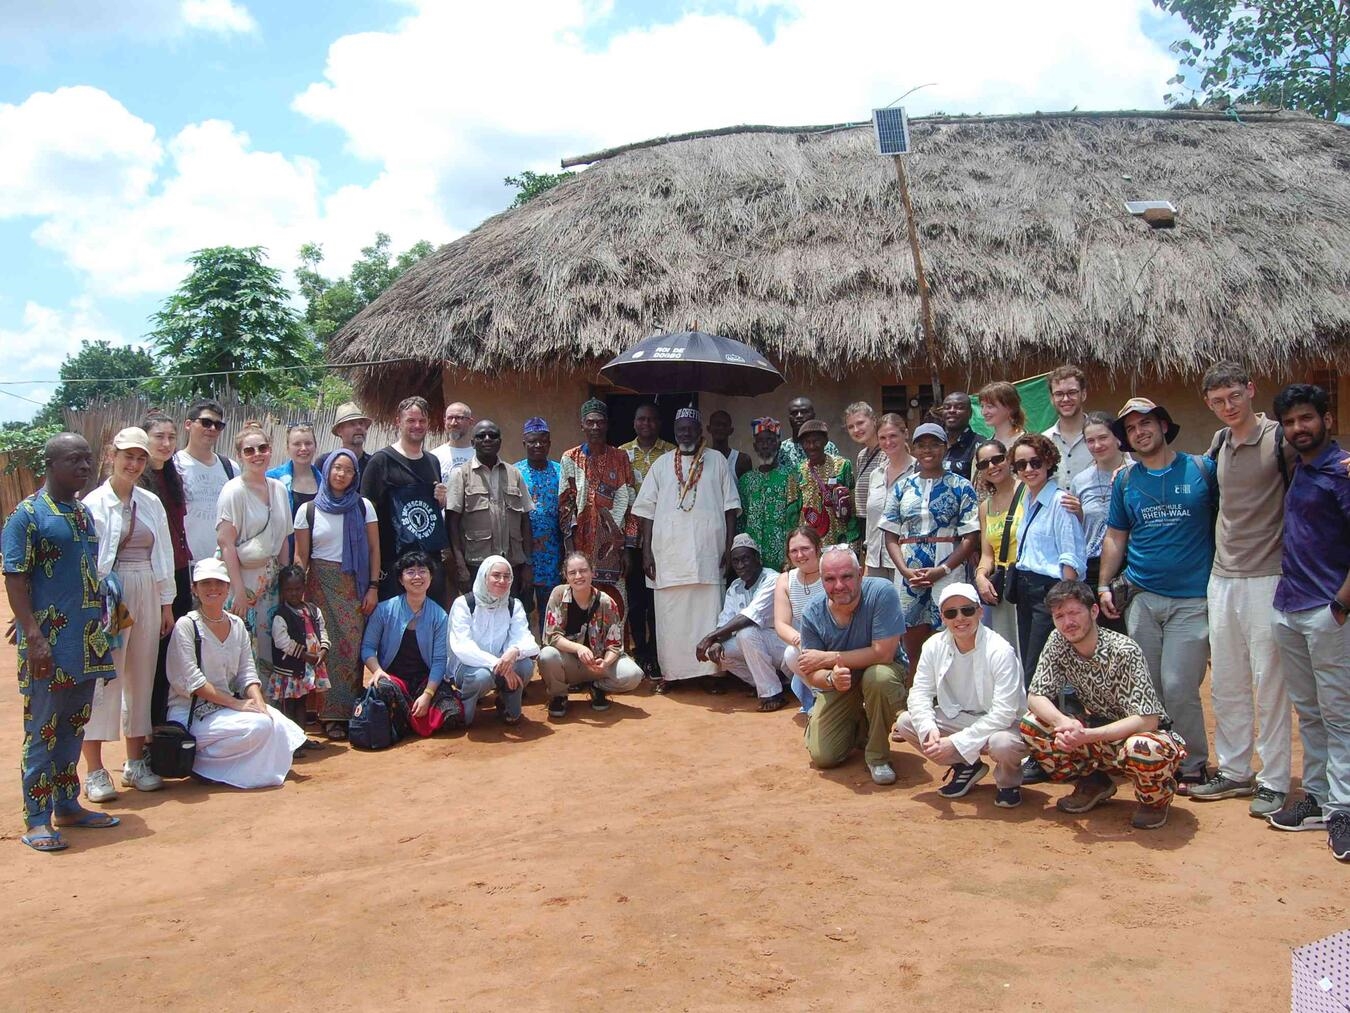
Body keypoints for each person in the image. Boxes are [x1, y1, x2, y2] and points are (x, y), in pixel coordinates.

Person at [1187, 364, 1295, 817]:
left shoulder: (1279, 439)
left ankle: (1273, 779)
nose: (1228, 407)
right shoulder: (1219, 442)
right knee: (1227, 680)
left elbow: (1319, 467)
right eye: (1218, 401)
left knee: (1269, 682)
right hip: (1222, 576)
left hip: (1268, 574)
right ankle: (1234, 770)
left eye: (1234, 396)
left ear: (1251, 390)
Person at [4, 434, 119, 852]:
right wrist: (32, 633)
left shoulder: (83, 513)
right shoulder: (27, 515)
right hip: (48, 645)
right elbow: (15, 577)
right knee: (43, 730)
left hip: (85, 642)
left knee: (73, 726)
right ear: (51, 464)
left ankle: (67, 805)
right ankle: (37, 819)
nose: (85, 466)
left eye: (88, 459)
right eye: (75, 459)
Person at [1097, 397, 1215, 788]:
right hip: (1142, 597)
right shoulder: (1126, 481)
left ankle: (1192, 761)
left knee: (1180, 685)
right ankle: (1157, 759)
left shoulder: (1202, 469)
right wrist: (1103, 584)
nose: (1139, 432)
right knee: (1147, 686)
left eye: (1145, 423)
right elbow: (1116, 535)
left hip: (1192, 598)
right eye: (1130, 428)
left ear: (1164, 425)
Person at [1019, 581, 1186, 829]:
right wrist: (1065, 723)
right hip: (1096, 732)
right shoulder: (1058, 640)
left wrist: (1088, 736)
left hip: (1139, 734)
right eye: (1059, 616)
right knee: (1033, 724)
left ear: (1094, 611)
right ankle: (1092, 783)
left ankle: (1154, 801)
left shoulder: (1124, 650)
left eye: (1074, 612)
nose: (1067, 622)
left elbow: (1147, 720)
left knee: (1143, 747)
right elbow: (1036, 696)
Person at [1266, 384, 1350, 861]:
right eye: (1290, 422)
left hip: (1326, 612)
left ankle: (1344, 809)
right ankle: (1318, 798)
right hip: (1289, 607)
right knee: (1311, 712)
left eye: (1306, 418)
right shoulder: (1300, 468)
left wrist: (1340, 605)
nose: (1298, 428)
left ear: (1327, 420)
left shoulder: (1342, 472)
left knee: (1340, 714)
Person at [82, 427, 177, 799]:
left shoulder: (150, 503)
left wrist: (166, 603)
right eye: (128, 457)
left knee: (142, 675)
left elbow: (164, 553)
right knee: (105, 678)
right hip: (110, 596)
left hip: (146, 587)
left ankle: (135, 763)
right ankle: (94, 771)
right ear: (112, 456)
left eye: (140, 458)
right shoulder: (93, 503)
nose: (134, 465)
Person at [165, 558, 307, 788]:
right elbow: (194, 682)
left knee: (278, 723)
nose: (213, 588)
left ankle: (238, 768)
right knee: (260, 727)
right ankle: (201, 764)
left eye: (218, 583)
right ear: (194, 589)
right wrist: (237, 704)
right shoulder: (186, 626)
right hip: (190, 713)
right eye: (205, 583)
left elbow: (247, 673)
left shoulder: (237, 625)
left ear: (227, 587)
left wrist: (258, 702)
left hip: (224, 710)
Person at [632, 408, 741, 691]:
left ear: (700, 431)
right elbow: (646, 511)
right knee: (670, 618)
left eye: (691, 429)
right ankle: (672, 673)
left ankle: (712, 673)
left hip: (708, 553)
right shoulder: (662, 464)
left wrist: (729, 546)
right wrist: (646, 552)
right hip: (669, 556)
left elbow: (730, 507)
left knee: (709, 614)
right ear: (675, 431)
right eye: (681, 429)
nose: (686, 434)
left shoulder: (717, 461)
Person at [892, 583, 1028, 805]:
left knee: (1002, 744)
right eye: (951, 613)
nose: (960, 618)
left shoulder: (1000, 650)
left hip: (1003, 725)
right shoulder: (933, 646)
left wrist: (955, 742)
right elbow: (920, 693)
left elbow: (1004, 713)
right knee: (907, 722)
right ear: (942, 618)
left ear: (980, 612)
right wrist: (929, 729)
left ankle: (1008, 783)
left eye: (967, 610)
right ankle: (966, 766)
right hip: (959, 718)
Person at [798, 546, 908, 785]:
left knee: (878, 677)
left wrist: (827, 658)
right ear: (821, 580)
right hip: (842, 683)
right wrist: (831, 679)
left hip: (882, 672)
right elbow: (811, 671)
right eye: (830, 579)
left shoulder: (882, 592)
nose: (839, 585)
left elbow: (883, 653)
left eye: (846, 576)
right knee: (824, 756)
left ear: (860, 574)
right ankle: (862, 726)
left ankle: (877, 756)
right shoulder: (812, 613)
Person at [880, 422, 980, 676]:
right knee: (912, 638)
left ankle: (952, 691)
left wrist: (943, 569)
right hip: (910, 571)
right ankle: (916, 690)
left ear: (945, 447)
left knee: (952, 632)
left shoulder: (960, 486)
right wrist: (904, 570)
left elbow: (970, 536)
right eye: (921, 445)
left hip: (948, 568)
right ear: (913, 449)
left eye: (935, 444)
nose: (928, 450)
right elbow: (890, 534)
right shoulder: (902, 487)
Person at [294, 448, 379, 740]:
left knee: (349, 651)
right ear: (327, 470)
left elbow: (373, 549)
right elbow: (301, 556)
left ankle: (346, 712)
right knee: (322, 649)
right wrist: (296, 597)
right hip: (318, 587)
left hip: (354, 586)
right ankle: (322, 714)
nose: (342, 474)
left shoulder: (363, 507)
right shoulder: (308, 510)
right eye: (337, 468)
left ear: (356, 475)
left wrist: (373, 587)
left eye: (349, 470)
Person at [217, 422, 294, 695]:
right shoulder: (233, 491)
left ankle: (268, 707)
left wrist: (286, 585)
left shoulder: (279, 489)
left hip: (271, 583)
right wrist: (238, 592)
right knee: (242, 646)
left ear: (270, 450)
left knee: (269, 644)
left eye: (262, 448)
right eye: (249, 450)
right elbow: (226, 544)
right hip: (241, 580)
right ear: (240, 455)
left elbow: (283, 539)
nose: (257, 454)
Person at [1008, 433, 1085, 680]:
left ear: (1048, 461)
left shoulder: (1060, 502)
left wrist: (1065, 604)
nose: (1028, 469)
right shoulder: (1027, 499)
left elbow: (1070, 555)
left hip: (1050, 592)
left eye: (1035, 462)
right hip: (1025, 590)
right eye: (1021, 465)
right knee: (1030, 664)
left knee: (1040, 668)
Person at [361, 396, 449, 605]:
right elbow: (366, 514)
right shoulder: (381, 461)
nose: (417, 426)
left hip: (428, 564)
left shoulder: (432, 461)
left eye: (422, 421)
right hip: (394, 564)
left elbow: (431, 511)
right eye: (411, 420)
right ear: (398, 422)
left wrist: (441, 500)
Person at [360, 550, 455, 739]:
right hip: (393, 678)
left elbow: (439, 660)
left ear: (431, 577)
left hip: (423, 680)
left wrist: (428, 694)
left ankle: (404, 719)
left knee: (452, 712)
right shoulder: (383, 610)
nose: (417, 577)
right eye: (410, 572)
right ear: (401, 579)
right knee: (384, 689)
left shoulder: (440, 616)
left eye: (423, 571)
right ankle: (411, 719)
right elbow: (368, 647)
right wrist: (377, 671)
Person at [539, 551, 644, 719]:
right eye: (572, 572)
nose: (578, 576)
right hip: (568, 664)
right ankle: (559, 695)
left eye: (583, 571)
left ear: (592, 572)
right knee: (547, 655)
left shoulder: (606, 602)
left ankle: (597, 687)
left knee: (634, 675)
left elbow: (615, 645)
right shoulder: (558, 595)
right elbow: (552, 636)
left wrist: (606, 662)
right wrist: (578, 648)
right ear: (566, 576)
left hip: (597, 664)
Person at [137, 409, 192, 726]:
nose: (166, 443)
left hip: (180, 572)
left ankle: (170, 722)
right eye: (159, 436)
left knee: (176, 650)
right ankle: (149, 727)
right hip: (152, 576)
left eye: (171, 437)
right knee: (152, 655)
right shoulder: (137, 482)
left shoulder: (173, 478)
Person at [559, 399, 637, 620]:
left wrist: (628, 549)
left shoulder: (620, 457)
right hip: (580, 544)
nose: (595, 427)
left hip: (613, 546)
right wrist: (570, 550)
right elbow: (565, 506)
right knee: (580, 602)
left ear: (607, 425)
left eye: (600, 422)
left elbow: (630, 504)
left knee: (616, 604)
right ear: (582, 425)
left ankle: (615, 641)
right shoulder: (570, 458)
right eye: (590, 422)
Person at [696, 534, 788, 710]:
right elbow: (725, 620)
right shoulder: (735, 587)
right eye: (736, 561)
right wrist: (716, 642)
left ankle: (772, 694)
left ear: (757, 558)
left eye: (745, 559)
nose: (740, 565)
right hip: (759, 646)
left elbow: (749, 617)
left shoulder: (772, 579)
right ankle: (767, 683)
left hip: (783, 646)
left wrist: (709, 637)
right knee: (718, 651)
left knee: (746, 633)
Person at [447, 555, 539, 726]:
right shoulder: (464, 604)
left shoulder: (513, 605)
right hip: (468, 667)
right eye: (496, 575)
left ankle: (505, 703)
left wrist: (514, 651)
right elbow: (463, 647)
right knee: (481, 677)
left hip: (501, 665)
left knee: (525, 666)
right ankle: (463, 710)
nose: (502, 581)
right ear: (484, 577)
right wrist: (498, 664)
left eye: (507, 576)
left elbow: (529, 642)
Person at [445, 418, 533, 595]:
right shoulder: (461, 475)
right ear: (473, 442)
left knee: (511, 610)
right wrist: (460, 566)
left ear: (500, 441)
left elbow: (525, 521)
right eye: (481, 436)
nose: (487, 439)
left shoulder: (514, 474)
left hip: (512, 566)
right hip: (476, 567)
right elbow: (451, 524)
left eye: (492, 436)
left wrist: (528, 565)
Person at [620, 403, 675, 677]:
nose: (646, 424)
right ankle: (639, 650)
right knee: (636, 599)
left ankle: (656, 652)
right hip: (632, 538)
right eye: (641, 419)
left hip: (663, 538)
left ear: (660, 423)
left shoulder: (672, 453)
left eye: (652, 420)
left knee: (658, 599)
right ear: (634, 423)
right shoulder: (621, 454)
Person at [1068, 412, 1131, 635]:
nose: (1097, 445)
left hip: (1130, 564)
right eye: (1090, 440)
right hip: (1093, 567)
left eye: (1103, 438)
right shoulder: (1080, 481)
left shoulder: (1136, 472)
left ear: (1117, 438)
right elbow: (1080, 529)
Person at [269, 564, 329, 752]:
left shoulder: (313, 610)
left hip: (308, 667)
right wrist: (305, 655)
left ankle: (301, 739)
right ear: (282, 590)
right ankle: (290, 744)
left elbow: (322, 631)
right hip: (290, 669)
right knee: (289, 706)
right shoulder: (281, 615)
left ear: (304, 587)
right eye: (289, 589)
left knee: (302, 703)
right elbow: (282, 642)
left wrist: (323, 650)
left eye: (297, 588)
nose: (293, 593)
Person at [515, 417, 564, 632]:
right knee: (521, 610)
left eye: (543, 441)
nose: (538, 445)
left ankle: (548, 648)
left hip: (553, 555)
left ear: (549, 443)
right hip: (522, 555)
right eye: (532, 441)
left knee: (551, 610)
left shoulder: (560, 472)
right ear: (524, 443)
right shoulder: (514, 473)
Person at [973, 439, 1024, 647]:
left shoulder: (1029, 491)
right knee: (1007, 648)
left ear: (1008, 459)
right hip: (1004, 586)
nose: (992, 466)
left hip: (1028, 582)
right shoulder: (985, 507)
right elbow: (988, 554)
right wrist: (980, 576)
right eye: (984, 464)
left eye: (997, 459)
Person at [174, 398, 237, 565]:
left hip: (221, 564)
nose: (212, 429)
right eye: (206, 422)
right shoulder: (174, 465)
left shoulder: (231, 468)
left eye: (218, 425)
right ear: (188, 424)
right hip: (184, 564)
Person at [736, 417, 799, 573]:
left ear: (778, 444)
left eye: (770, 440)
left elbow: (795, 519)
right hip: (752, 560)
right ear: (754, 445)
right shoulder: (745, 481)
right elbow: (741, 522)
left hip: (783, 559)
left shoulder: (790, 477)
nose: (765, 445)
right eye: (761, 441)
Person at [775, 526, 827, 715]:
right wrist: (800, 641)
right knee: (791, 654)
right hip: (807, 643)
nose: (800, 555)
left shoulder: (830, 572)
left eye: (805, 548)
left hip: (839, 640)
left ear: (818, 548)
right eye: (794, 551)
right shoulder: (785, 580)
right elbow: (781, 623)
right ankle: (820, 696)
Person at [864, 413, 914, 581]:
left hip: (905, 560)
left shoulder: (918, 471)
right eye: (882, 438)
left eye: (893, 436)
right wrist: (867, 560)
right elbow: (871, 520)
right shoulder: (876, 474)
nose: (888, 442)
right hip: (874, 561)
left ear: (905, 434)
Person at [794, 419, 857, 546]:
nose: (812, 446)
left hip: (838, 538)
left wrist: (853, 539)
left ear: (825, 441)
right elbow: (794, 510)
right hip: (809, 540)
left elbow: (853, 504)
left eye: (816, 441)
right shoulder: (797, 471)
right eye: (807, 442)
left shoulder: (842, 466)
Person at [267, 423, 322, 546]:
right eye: (297, 444)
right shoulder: (272, 480)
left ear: (315, 446)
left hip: (316, 551)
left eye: (308, 443)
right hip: (281, 550)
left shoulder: (324, 483)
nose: (303, 448)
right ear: (287, 448)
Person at [1042, 366, 1092, 489]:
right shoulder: (1043, 441)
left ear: (1083, 394)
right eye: (1059, 394)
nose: (1065, 399)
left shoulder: (1105, 437)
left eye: (1072, 392)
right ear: (1052, 399)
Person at [845, 402, 885, 527]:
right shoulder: (862, 456)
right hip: (864, 523)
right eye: (850, 427)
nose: (856, 430)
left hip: (881, 524)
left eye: (860, 423)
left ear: (874, 420)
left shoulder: (887, 453)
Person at [779, 395, 842, 470]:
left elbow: (838, 472)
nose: (799, 416)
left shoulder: (828, 447)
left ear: (813, 415)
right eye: (794, 413)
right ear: (789, 418)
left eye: (804, 412)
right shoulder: (782, 449)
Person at [316, 402, 374, 479]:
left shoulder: (373, 463)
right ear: (339, 431)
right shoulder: (325, 462)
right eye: (352, 424)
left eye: (361, 423)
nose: (359, 427)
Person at [433, 401, 477, 483]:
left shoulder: (480, 455)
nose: (453, 423)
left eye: (459, 418)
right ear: (445, 421)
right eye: (450, 418)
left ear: (470, 422)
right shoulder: (434, 456)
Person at [939, 392, 979, 480]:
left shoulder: (979, 446)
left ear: (970, 413)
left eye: (960, 407)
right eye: (947, 407)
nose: (952, 410)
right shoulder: (935, 442)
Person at [977, 382, 1026, 446]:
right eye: (982, 406)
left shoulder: (1027, 443)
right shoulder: (984, 447)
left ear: (1010, 408)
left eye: (990, 406)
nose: (984, 412)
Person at [707, 409, 751, 479]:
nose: (720, 428)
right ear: (708, 429)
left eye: (724, 425)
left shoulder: (742, 460)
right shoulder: (703, 459)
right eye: (717, 424)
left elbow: (747, 485)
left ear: (731, 430)